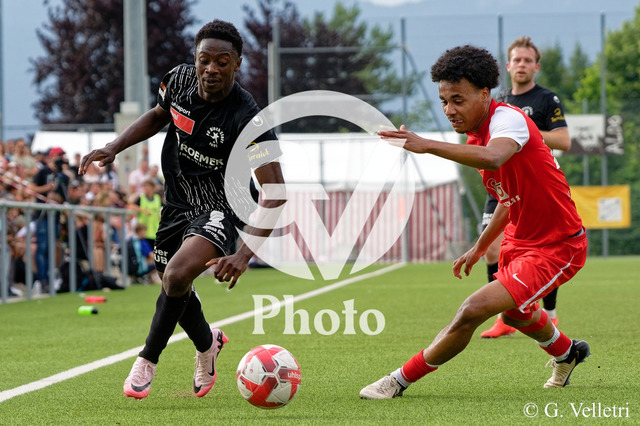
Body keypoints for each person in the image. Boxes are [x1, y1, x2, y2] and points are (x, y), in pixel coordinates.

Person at [360, 45, 589, 399]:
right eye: (444, 101)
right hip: (520, 239)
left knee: (472, 310)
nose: (449, 110)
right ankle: (567, 352)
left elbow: (494, 158)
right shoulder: (475, 136)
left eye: (458, 100)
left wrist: (426, 144)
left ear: (484, 94)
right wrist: (480, 247)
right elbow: (509, 199)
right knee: (514, 315)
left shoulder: (507, 121)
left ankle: (397, 381)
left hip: (558, 245)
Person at [79, 19, 284, 400]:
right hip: (176, 201)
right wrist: (114, 146)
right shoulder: (177, 80)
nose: (211, 69)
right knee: (173, 283)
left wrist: (244, 255)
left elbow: (276, 193)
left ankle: (147, 359)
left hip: (223, 205)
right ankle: (208, 344)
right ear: (195, 58)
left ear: (237, 64)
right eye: (204, 60)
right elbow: (158, 115)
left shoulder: (248, 121)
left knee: (175, 275)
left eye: (222, 62)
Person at [480, 36, 571, 338]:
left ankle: (550, 314)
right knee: (492, 249)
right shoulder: (499, 101)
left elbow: (563, 140)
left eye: (527, 60)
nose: (522, 65)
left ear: (536, 67)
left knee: (543, 250)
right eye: (517, 60)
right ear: (508, 66)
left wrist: (524, 134)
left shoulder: (546, 99)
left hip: (534, 187)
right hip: (502, 184)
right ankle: (504, 318)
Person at [128, 179, 162, 249]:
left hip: (155, 231)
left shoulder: (157, 198)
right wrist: (144, 210)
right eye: (143, 187)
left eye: (146, 186)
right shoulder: (141, 197)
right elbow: (131, 206)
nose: (145, 188)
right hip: (143, 231)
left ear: (152, 187)